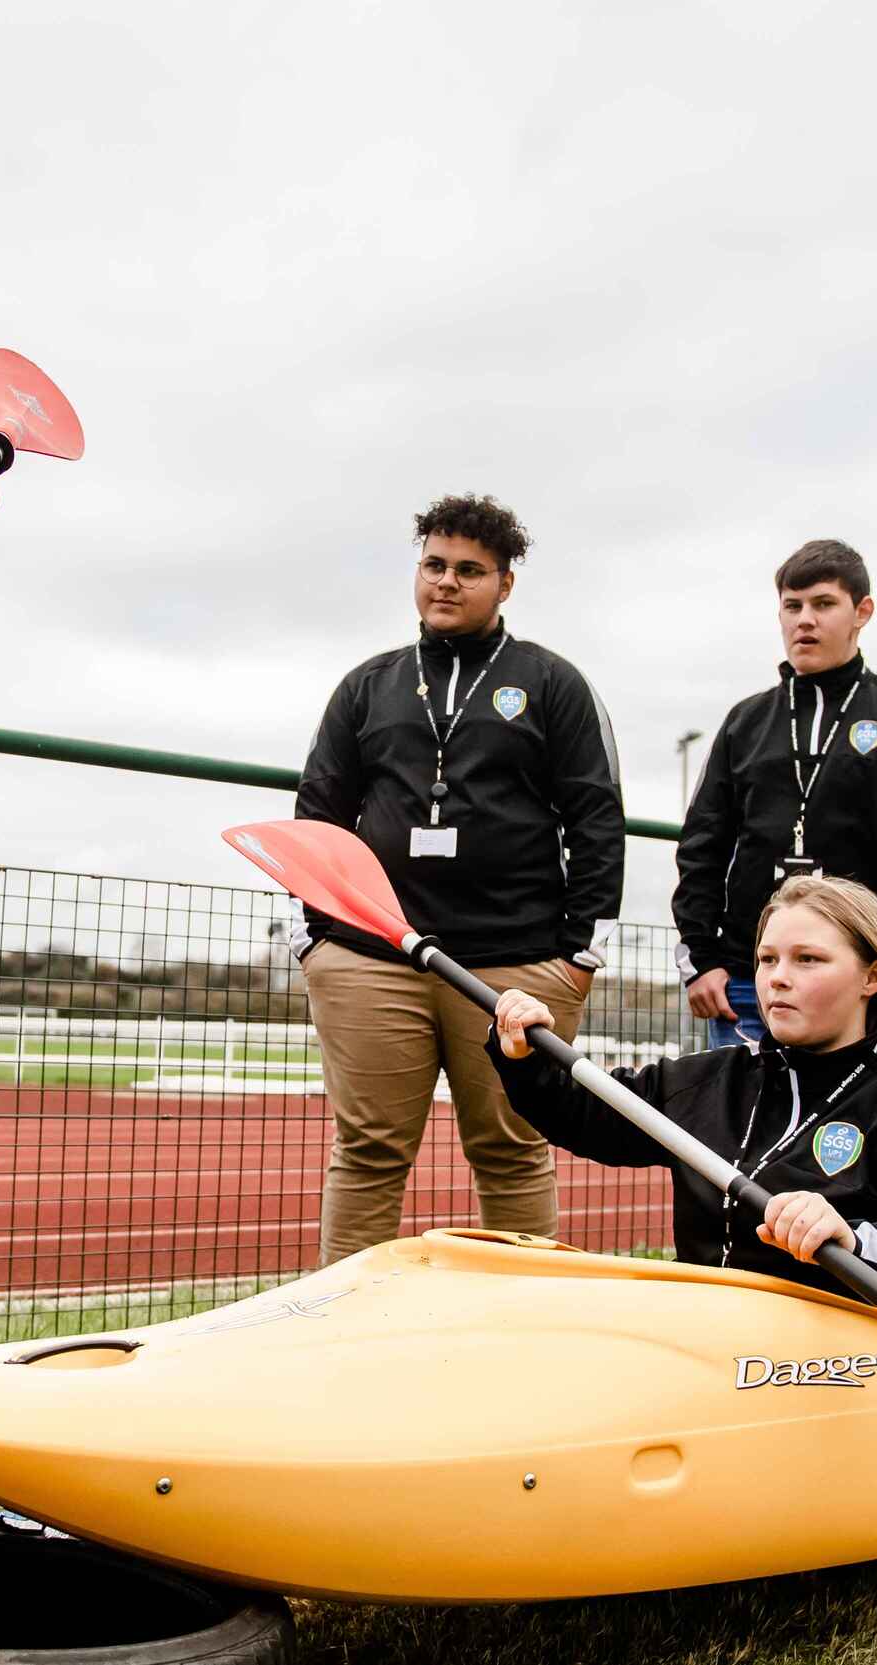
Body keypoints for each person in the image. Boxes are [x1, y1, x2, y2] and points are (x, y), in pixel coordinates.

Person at [294, 493, 625, 1264]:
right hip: (372, 957)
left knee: (511, 1150)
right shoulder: (367, 684)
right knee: (368, 1151)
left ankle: (519, 1329)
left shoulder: (552, 682)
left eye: (468, 570)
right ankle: (341, 1325)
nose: (446, 582)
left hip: (514, 962)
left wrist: (578, 955)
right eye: (434, 565)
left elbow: (596, 818)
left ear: (504, 583)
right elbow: (318, 813)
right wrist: (317, 938)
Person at [487, 875, 877, 1321]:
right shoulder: (711, 1079)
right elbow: (583, 1114)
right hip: (701, 1341)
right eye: (767, 960)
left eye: (807, 960)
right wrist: (524, 1054)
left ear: (872, 975)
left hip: (831, 1370)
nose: (777, 980)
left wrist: (856, 1241)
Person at [673, 539, 877, 1047]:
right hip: (750, 983)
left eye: (824, 604)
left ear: (862, 612)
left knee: (849, 1125)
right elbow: (702, 846)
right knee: (744, 1124)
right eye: (792, 606)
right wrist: (703, 960)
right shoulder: (747, 721)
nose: (804, 620)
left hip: (854, 986)